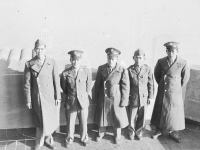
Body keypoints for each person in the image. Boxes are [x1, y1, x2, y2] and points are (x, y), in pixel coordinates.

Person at [24, 39, 61, 150]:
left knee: (48, 119)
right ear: (35, 50)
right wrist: (28, 100)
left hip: (49, 97)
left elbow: (56, 81)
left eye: (42, 49)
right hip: (38, 98)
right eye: (37, 49)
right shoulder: (29, 64)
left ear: (45, 50)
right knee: (40, 120)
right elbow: (27, 84)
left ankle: (49, 140)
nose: (39, 51)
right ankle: (39, 142)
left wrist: (58, 96)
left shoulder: (52, 62)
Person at [151, 41, 190, 143]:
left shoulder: (183, 63)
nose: (171, 53)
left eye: (173, 51)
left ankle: (173, 132)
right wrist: (163, 84)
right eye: (168, 51)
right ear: (166, 51)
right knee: (161, 109)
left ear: (177, 51)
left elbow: (185, 79)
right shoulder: (161, 61)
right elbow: (157, 75)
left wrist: (176, 87)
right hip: (163, 90)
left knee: (174, 112)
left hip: (175, 92)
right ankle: (158, 130)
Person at [94, 48, 129, 144]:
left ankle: (117, 136)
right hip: (104, 97)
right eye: (109, 58)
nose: (110, 61)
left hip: (116, 97)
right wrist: (96, 97)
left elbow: (125, 86)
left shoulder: (122, 70)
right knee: (102, 116)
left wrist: (124, 100)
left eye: (113, 59)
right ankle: (101, 133)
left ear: (117, 59)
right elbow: (97, 84)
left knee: (116, 117)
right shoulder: (101, 68)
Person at [60, 50, 91, 148]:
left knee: (83, 122)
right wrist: (71, 95)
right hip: (71, 101)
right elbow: (64, 88)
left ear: (80, 60)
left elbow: (88, 86)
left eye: (77, 60)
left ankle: (84, 138)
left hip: (83, 101)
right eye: (73, 60)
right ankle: (69, 139)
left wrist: (83, 96)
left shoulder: (86, 71)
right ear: (70, 60)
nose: (75, 62)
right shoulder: (65, 73)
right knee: (70, 122)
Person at [127, 49, 154, 140]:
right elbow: (127, 85)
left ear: (144, 58)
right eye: (136, 58)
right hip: (133, 97)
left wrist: (150, 97)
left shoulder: (148, 69)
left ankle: (139, 132)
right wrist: (127, 97)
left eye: (140, 58)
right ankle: (131, 131)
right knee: (132, 116)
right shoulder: (129, 70)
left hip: (144, 97)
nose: (138, 60)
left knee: (142, 116)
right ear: (133, 58)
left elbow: (150, 84)